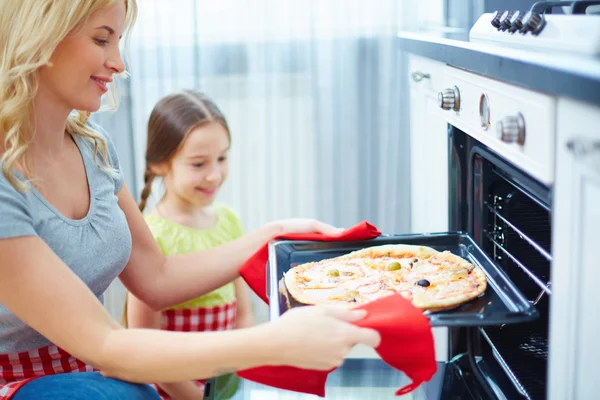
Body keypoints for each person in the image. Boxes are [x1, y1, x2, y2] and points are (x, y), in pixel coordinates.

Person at [0, 1, 381, 400]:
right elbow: (107, 346)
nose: (119, 63)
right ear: (37, 37)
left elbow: (156, 277)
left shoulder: (92, 147)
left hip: (92, 375)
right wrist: (277, 341)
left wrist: (275, 234)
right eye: (101, 40)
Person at [124, 90, 254, 400]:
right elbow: (144, 347)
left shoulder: (229, 221)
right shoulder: (150, 238)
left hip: (224, 387)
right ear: (159, 165)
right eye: (198, 164)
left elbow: (243, 315)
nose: (214, 175)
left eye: (222, 158)